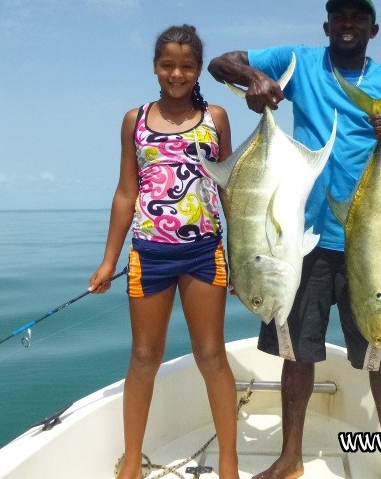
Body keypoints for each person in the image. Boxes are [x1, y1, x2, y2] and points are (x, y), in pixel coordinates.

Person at [207, 0, 381, 479]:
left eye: (359, 18)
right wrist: (254, 79)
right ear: (326, 27)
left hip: (370, 245)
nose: (348, 24)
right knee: (298, 354)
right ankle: (291, 456)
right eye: (339, 17)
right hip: (301, 241)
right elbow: (220, 63)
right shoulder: (299, 61)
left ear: (374, 30)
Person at [89, 25, 240, 479]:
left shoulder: (216, 117)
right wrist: (108, 260)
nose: (177, 74)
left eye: (187, 66)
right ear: (155, 66)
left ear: (198, 71)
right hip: (149, 254)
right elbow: (125, 192)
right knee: (142, 358)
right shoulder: (134, 120)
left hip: (203, 253)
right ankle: (132, 461)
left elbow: (229, 187)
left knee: (211, 355)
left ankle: (229, 465)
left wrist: (242, 255)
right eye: (168, 65)